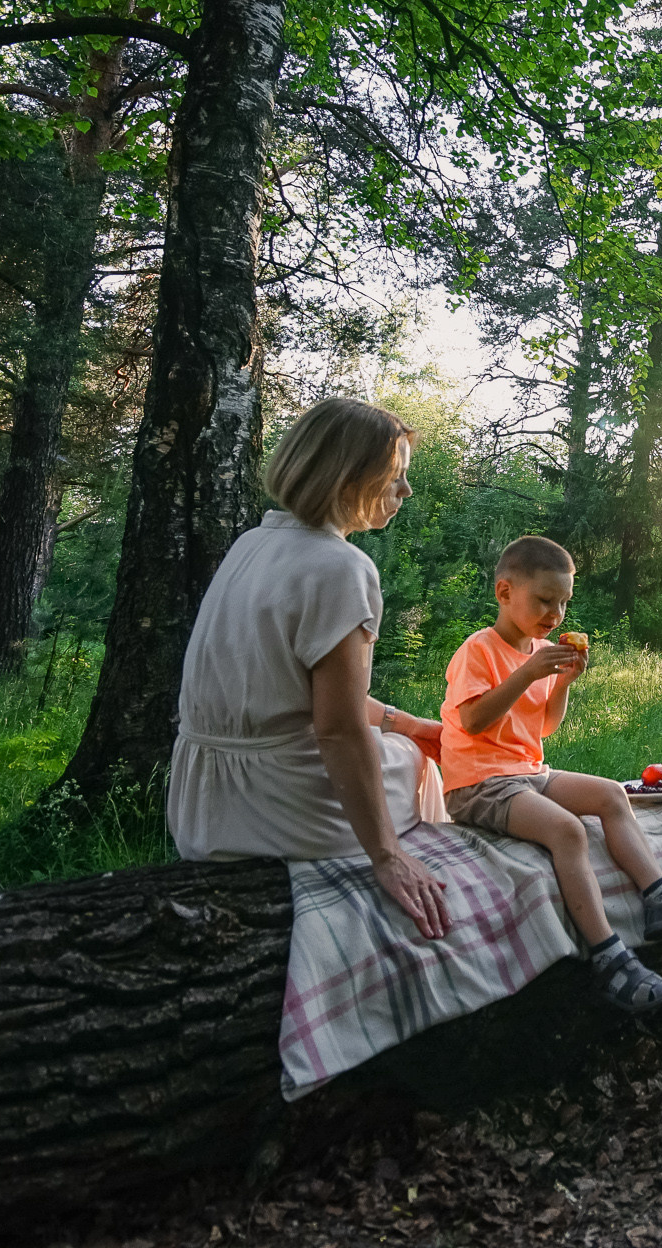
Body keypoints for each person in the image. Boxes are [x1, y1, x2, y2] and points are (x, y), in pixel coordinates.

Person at [167, 397, 453, 939]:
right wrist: (386, 855)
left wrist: (408, 721)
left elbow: (297, 692)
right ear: (350, 478)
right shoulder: (341, 566)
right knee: (416, 764)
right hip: (274, 803)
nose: (406, 492)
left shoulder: (252, 544)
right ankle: (433, 889)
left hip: (200, 799)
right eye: (396, 477)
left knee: (408, 742)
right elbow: (339, 728)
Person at [441, 535, 662, 1012]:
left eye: (563, 603)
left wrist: (561, 684)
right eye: (544, 600)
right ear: (504, 592)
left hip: (526, 770)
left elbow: (544, 727)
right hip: (479, 782)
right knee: (566, 830)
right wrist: (528, 674)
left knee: (610, 795)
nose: (555, 615)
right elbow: (474, 721)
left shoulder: (539, 651)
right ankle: (608, 956)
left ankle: (661, 898)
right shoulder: (480, 650)